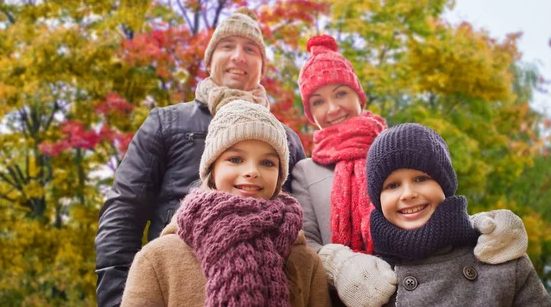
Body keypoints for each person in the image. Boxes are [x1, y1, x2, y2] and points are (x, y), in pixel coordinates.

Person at [291, 34, 530, 307]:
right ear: (310, 112)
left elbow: (438, 203)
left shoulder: (397, 147)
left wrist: (482, 227)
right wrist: (341, 265)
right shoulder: (305, 171)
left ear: (358, 95)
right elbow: (304, 244)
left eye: (340, 93)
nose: (332, 108)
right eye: (318, 101)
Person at [95, 8, 306, 307]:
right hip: (177, 285)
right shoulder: (166, 123)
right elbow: (123, 211)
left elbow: (304, 225)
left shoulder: (286, 139)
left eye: (250, 49)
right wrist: (121, 299)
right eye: (227, 46)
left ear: (262, 66)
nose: (238, 57)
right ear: (209, 60)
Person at [120, 100, 331, 307]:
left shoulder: (305, 262)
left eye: (267, 163)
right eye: (236, 159)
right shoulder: (158, 259)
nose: (252, 171)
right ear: (212, 169)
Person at [366, 123, 551, 306]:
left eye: (421, 179)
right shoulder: (369, 279)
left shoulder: (500, 254)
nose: (408, 194)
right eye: (392, 185)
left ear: (444, 185)